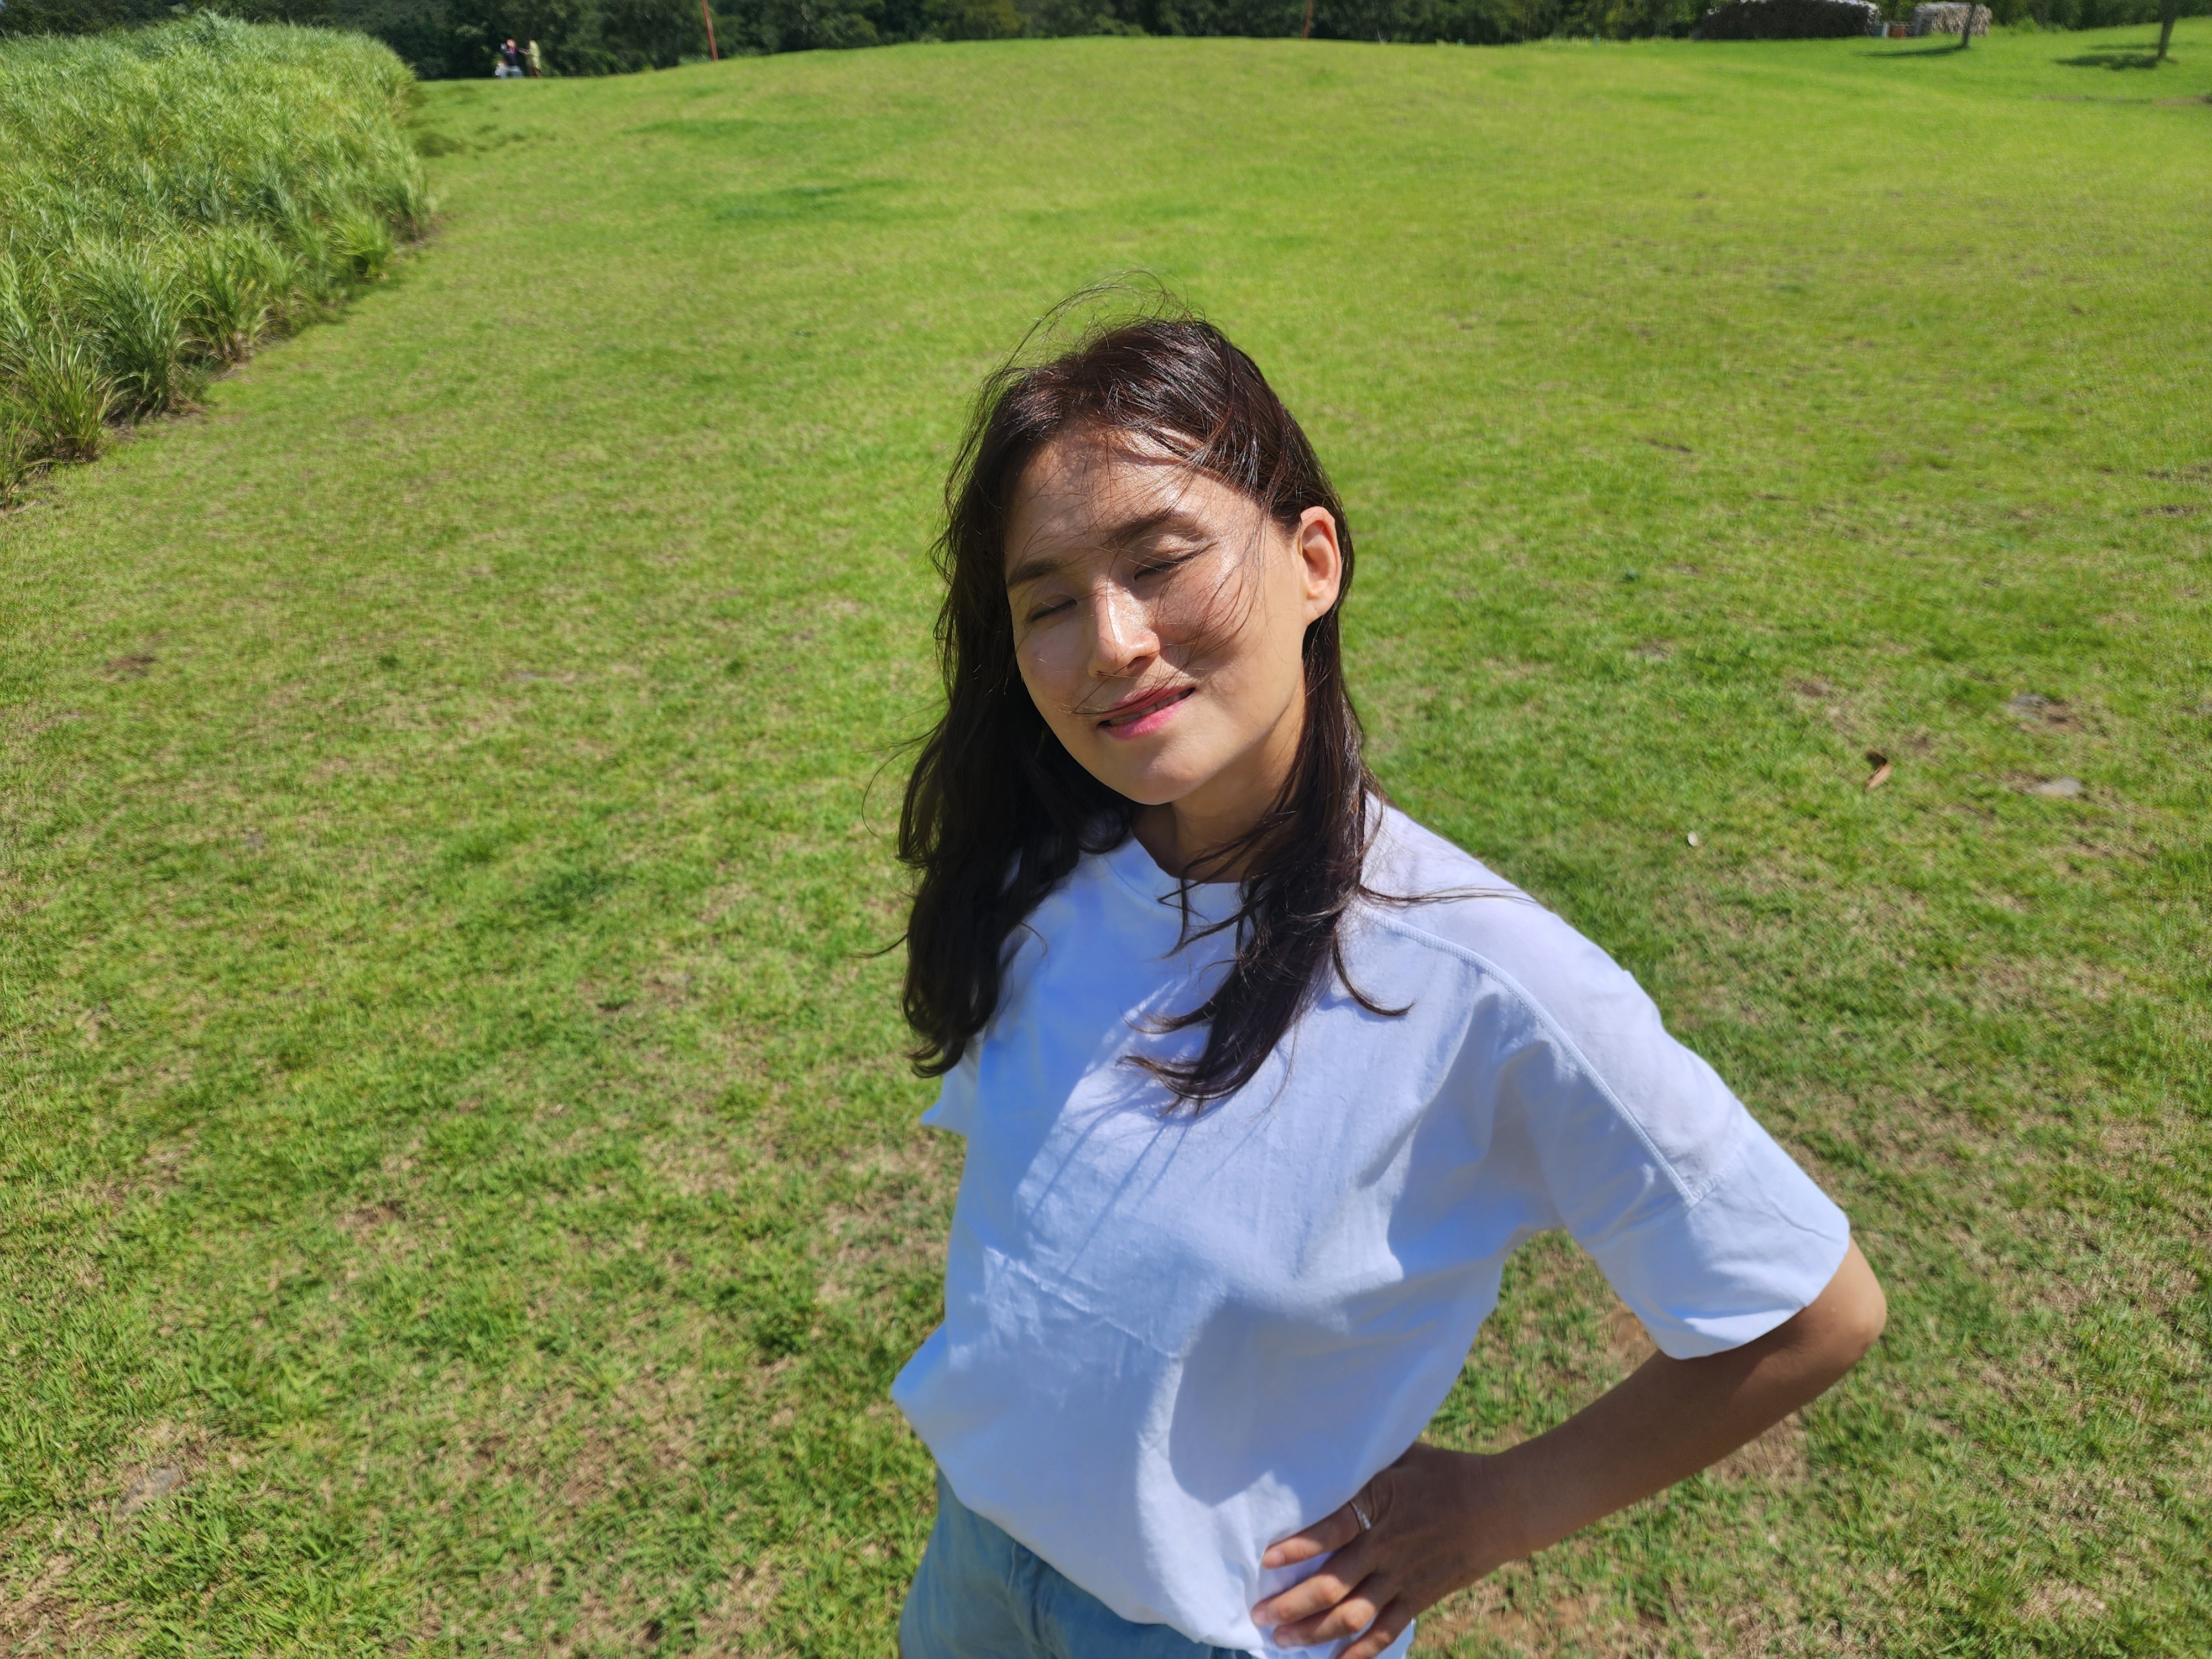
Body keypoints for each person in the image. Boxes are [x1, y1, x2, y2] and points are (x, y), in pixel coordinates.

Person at [890, 312, 1887, 1659]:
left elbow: (1815, 1311)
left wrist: (1499, 1507)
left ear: (1313, 559)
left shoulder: (1484, 980)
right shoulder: (1040, 875)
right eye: (1047, 602)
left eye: (1160, 561)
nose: (1111, 640)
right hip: (975, 1568)